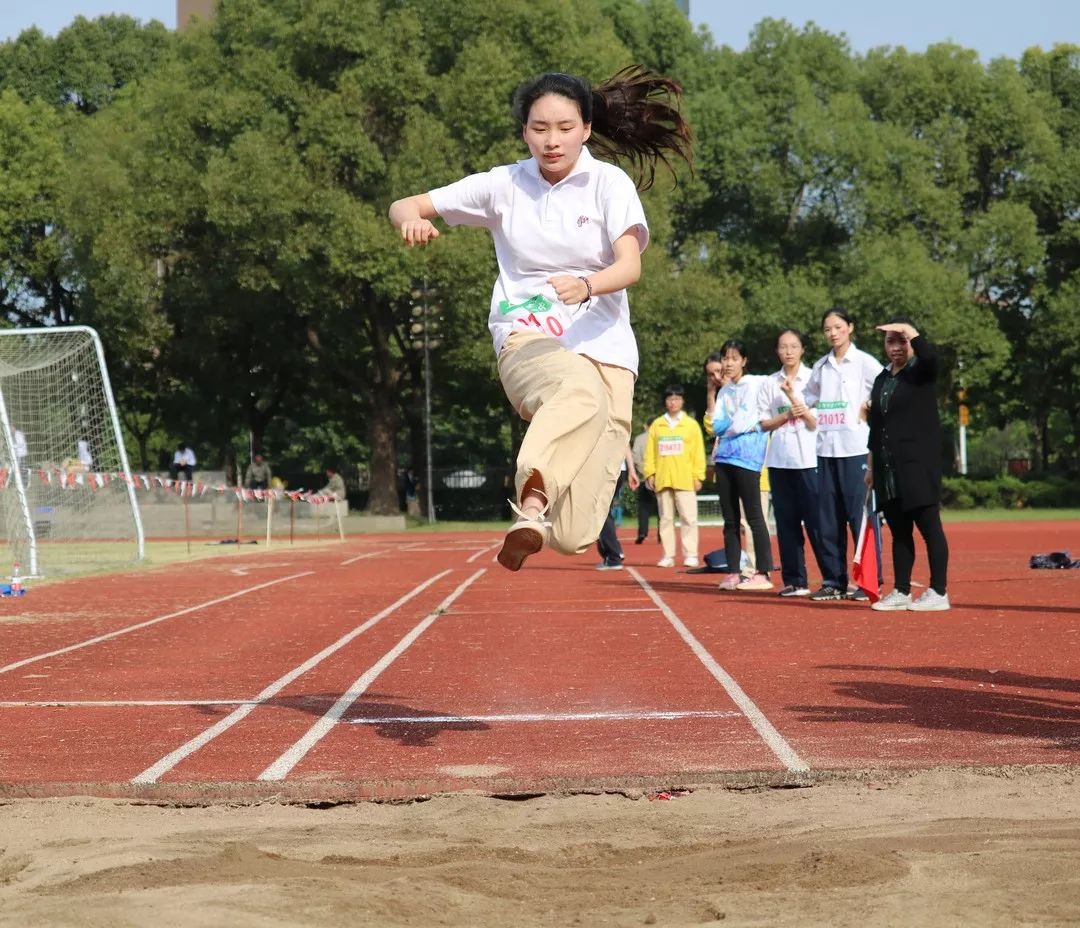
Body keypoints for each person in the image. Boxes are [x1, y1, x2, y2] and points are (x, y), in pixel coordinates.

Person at [388, 67, 692, 572]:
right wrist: (411, 220)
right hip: (528, 339)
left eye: (565, 128)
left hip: (609, 352)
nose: (552, 141)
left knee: (574, 536)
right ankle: (528, 508)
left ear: (587, 129)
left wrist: (589, 285)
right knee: (579, 393)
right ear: (524, 131)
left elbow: (630, 265)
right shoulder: (503, 184)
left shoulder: (608, 184)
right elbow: (405, 203)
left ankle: (545, 518)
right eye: (540, 128)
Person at [868, 318, 951, 611]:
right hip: (887, 468)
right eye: (891, 342)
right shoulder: (882, 378)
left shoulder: (920, 373)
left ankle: (938, 592)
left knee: (929, 529)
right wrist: (870, 463)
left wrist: (910, 331)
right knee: (899, 532)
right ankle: (901, 591)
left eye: (901, 341)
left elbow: (930, 357)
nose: (896, 348)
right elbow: (875, 424)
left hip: (917, 466)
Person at [803, 309, 883, 601]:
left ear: (850, 327)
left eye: (838, 327)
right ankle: (833, 581)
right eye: (827, 329)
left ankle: (869, 581)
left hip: (856, 449)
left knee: (859, 517)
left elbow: (886, 390)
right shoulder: (821, 366)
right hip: (825, 450)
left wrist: (870, 404)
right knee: (828, 519)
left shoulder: (864, 362)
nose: (833, 333)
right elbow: (809, 397)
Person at [758, 328, 827, 597]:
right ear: (777, 351)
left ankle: (832, 578)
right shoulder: (769, 382)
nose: (788, 351)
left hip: (809, 459)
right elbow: (763, 423)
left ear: (802, 350)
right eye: (783, 346)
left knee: (817, 523)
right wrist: (786, 416)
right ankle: (795, 580)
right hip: (779, 460)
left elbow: (817, 422)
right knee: (786, 524)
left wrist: (797, 404)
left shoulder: (814, 379)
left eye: (793, 346)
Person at [709, 340, 772, 591]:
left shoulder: (755, 384)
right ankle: (734, 572)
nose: (729, 363)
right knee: (730, 520)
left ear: (744, 361)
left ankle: (763, 572)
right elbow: (716, 425)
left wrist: (732, 426)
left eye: (734, 358)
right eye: (725, 358)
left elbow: (738, 423)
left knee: (754, 517)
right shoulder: (724, 392)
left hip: (748, 458)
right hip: (724, 457)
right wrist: (730, 425)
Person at [643, 384, 706, 568]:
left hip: (685, 479)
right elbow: (650, 452)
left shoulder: (691, 425)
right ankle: (668, 555)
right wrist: (650, 473)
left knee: (688, 517)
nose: (673, 402)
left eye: (677, 398)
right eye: (670, 399)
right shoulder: (657, 424)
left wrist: (698, 476)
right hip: (663, 478)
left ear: (682, 400)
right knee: (665, 519)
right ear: (665, 401)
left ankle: (691, 554)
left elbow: (698, 453)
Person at [596, 446, 639, 570]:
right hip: (618, 470)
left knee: (601, 511)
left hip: (608, 470)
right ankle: (613, 554)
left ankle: (614, 556)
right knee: (602, 510)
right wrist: (631, 470)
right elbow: (626, 443)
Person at [630, 424, 656, 544]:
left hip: (643, 477)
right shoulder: (661, 436)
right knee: (663, 508)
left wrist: (644, 471)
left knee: (643, 507)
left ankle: (642, 532)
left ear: (646, 426)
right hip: (660, 477)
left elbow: (635, 456)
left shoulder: (640, 439)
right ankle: (662, 534)